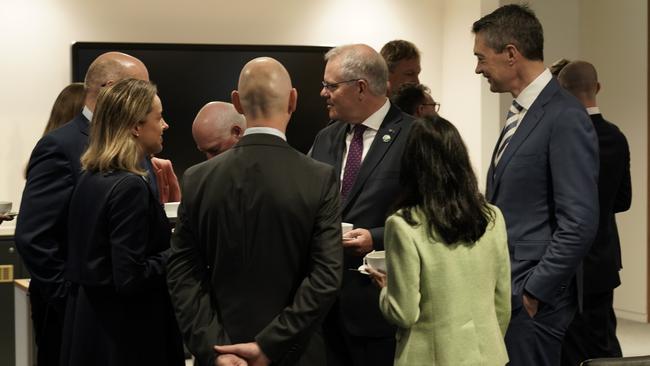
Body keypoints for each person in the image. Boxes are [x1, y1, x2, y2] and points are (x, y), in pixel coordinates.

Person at [167, 57, 343, 366]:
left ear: (236, 101)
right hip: (296, 353)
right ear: (293, 100)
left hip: (222, 351)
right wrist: (270, 345)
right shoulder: (319, 177)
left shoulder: (197, 178)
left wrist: (213, 350)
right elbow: (325, 277)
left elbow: (183, 274)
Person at [472, 5, 599, 365]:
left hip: (534, 301)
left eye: (481, 57)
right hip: (510, 291)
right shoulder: (520, 113)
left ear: (511, 54)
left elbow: (579, 222)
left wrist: (533, 291)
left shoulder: (564, 116)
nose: (478, 68)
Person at [15, 51, 149, 365]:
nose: (148, 100)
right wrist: (71, 300)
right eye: (139, 90)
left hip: (122, 316)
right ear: (109, 89)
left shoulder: (134, 143)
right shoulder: (60, 145)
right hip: (72, 319)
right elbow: (34, 236)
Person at [367, 116, 511, 365]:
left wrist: (385, 289)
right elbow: (503, 302)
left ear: (411, 164)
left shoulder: (404, 224)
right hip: (488, 355)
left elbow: (404, 313)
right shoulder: (492, 217)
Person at [59, 78, 183, 366]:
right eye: (159, 117)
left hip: (90, 332)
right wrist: (177, 250)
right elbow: (130, 276)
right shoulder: (129, 187)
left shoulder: (90, 178)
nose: (165, 125)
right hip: (126, 338)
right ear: (136, 126)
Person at [309, 43, 414, 366]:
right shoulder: (327, 138)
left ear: (361, 87)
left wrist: (377, 237)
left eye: (331, 85)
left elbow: (432, 216)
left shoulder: (415, 136)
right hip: (324, 308)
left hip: (381, 307)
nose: (323, 93)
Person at [558, 60, 632, 365]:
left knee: (569, 346)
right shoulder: (616, 137)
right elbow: (623, 200)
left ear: (561, 91)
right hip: (603, 258)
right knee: (603, 343)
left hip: (566, 259)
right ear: (597, 87)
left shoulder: (561, 136)